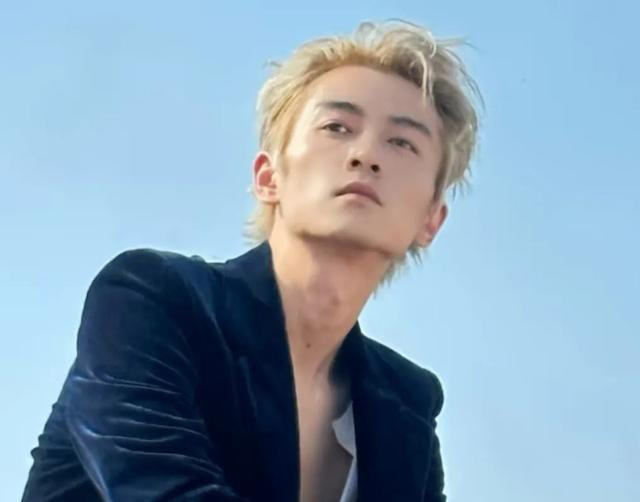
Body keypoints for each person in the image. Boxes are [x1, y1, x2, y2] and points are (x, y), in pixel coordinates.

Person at [22, 19, 480, 502]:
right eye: (337, 127)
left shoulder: (407, 404)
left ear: (431, 220)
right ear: (268, 177)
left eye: (402, 142)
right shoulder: (153, 301)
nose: (366, 155)